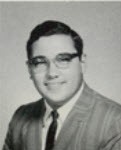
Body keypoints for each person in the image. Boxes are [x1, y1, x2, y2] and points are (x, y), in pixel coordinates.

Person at [3, 20, 121, 150]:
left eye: (63, 59)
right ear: (30, 69)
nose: (52, 73)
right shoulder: (20, 118)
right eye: (40, 62)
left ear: (82, 62)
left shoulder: (114, 121)